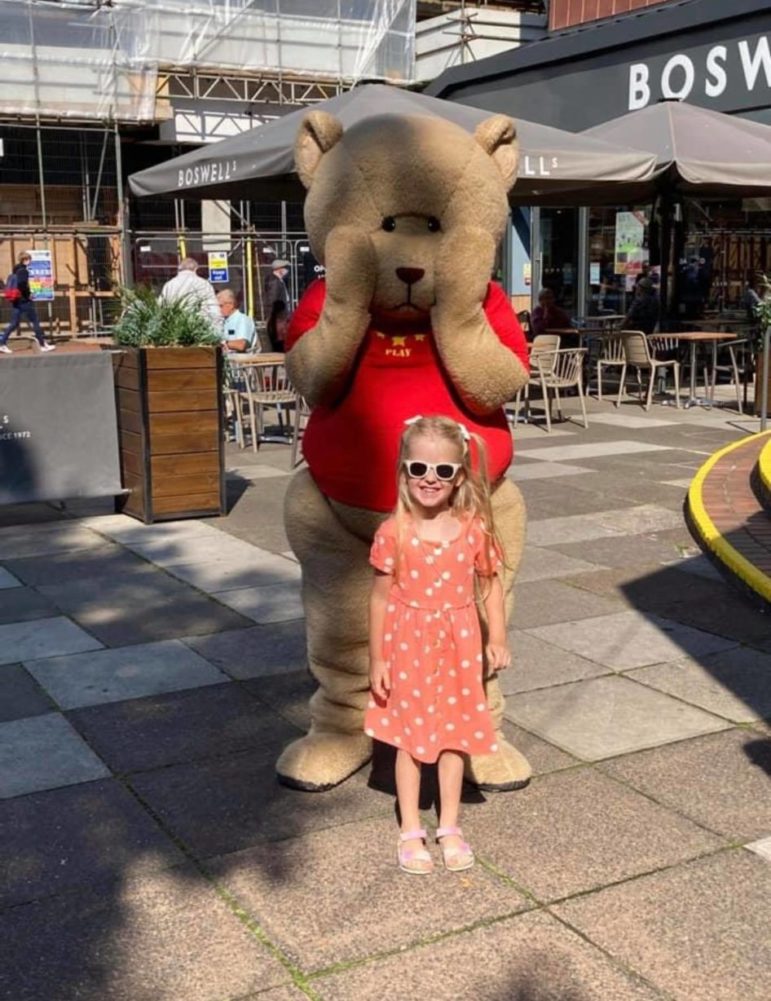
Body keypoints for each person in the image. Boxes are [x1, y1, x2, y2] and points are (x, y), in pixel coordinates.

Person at [365, 415, 510, 876]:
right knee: (409, 738)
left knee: (453, 735)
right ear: (403, 470)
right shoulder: (395, 532)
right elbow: (379, 597)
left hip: (460, 644)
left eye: (443, 470)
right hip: (408, 642)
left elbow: (490, 585)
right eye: (419, 468)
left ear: (460, 475)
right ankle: (410, 827)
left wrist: (498, 638)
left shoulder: (474, 529)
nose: (430, 479)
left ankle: (449, 825)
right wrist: (377, 657)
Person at [0, 251, 56, 354]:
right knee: (35, 321)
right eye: (29, 259)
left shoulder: (15, 270)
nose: (30, 261)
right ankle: (42, 344)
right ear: (25, 260)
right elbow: (22, 285)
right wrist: (28, 294)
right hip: (24, 301)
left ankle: (2, 343)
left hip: (16, 300)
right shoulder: (23, 271)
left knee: (14, 323)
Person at [159, 257, 221, 331]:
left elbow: (161, 306)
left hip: (174, 329)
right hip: (198, 328)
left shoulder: (169, 285)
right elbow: (213, 309)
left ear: (179, 269)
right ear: (196, 269)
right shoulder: (203, 284)